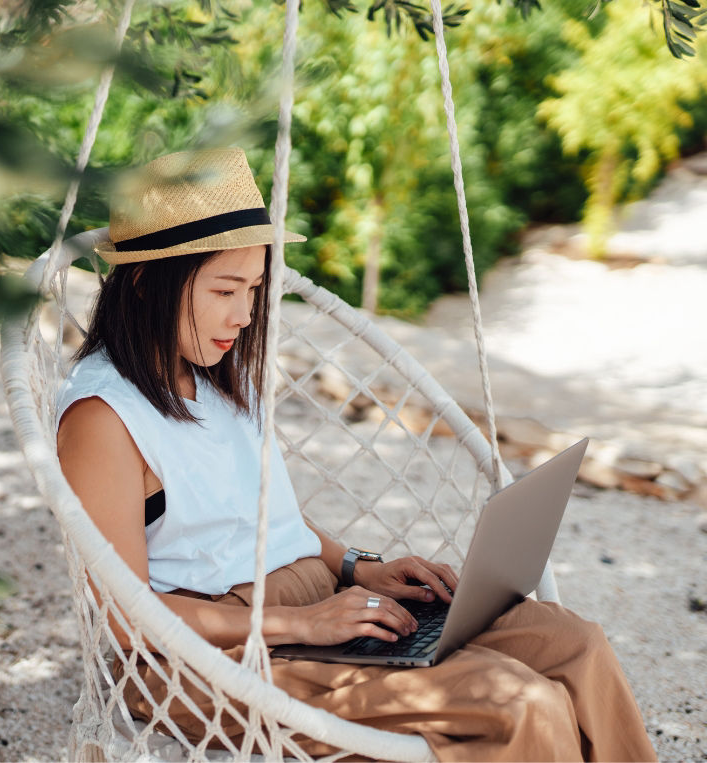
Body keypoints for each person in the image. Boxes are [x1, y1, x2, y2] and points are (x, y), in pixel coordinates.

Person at [55, 147, 657, 761]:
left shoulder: (207, 371)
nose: (243, 315)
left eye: (255, 289)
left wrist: (358, 568)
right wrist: (304, 625)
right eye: (224, 289)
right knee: (517, 702)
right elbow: (126, 618)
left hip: (314, 602)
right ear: (144, 281)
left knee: (570, 641)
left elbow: (260, 515)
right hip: (208, 654)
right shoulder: (104, 419)